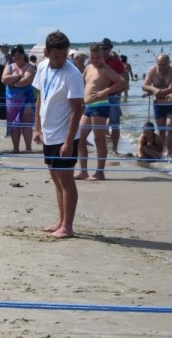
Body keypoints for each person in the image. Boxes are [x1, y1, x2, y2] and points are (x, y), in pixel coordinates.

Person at [32, 31, 84, 239]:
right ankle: (61, 220)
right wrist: (37, 127)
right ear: (47, 52)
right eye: (56, 56)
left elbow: (77, 109)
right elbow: (40, 98)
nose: (61, 60)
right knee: (55, 178)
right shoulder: (42, 66)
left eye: (64, 56)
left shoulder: (73, 74)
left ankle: (68, 227)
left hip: (65, 134)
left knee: (66, 179)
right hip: (48, 132)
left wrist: (69, 141)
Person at [78, 44, 125, 181]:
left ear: (102, 56)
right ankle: (83, 171)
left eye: (97, 57)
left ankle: (100, 172)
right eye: (92, 57)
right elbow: (82, 82)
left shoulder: (106, 69)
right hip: (88, 106)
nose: (95, 60)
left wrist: (105, 92)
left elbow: (121, 82)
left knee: (99, 139)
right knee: (80, 138)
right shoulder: (88, 68)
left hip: (101, 105)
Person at [2, 44, 36, 154]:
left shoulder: (29, 67)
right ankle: (15, 148)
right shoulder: (10, 66)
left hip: (26, 98)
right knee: (13, 123)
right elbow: (4, 79)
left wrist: (12, 83)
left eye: (19, 55)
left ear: (23, 55)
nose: (17, 57)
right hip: (11, 100)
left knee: (26, 123)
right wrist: (17, 77)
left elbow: (27, 80)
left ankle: (28, 147)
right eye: (15, 55)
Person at [142, 54, 172, 157]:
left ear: (169, 63)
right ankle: (162, 151)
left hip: (171, 103)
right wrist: (153, 90)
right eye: (160, 65)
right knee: (161, 130)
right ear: (156, 64)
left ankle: (170, 153)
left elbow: (171, 88)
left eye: (165, 64)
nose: (162, 67)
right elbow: (144, 85)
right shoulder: (152, 70)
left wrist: (160, 92)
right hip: (158, 104)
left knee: (170, 127)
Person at [100, 39, 126, 154]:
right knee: (98, 124)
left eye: (106, 48)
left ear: (110, 49)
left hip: (112, 96)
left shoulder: (116, 62)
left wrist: (118, 92)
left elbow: (123, 80)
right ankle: (102, 148)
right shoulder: (96, 61)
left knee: (115, 124)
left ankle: (115, 149)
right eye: (102, 48)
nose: (103, 50)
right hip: (98, 97)